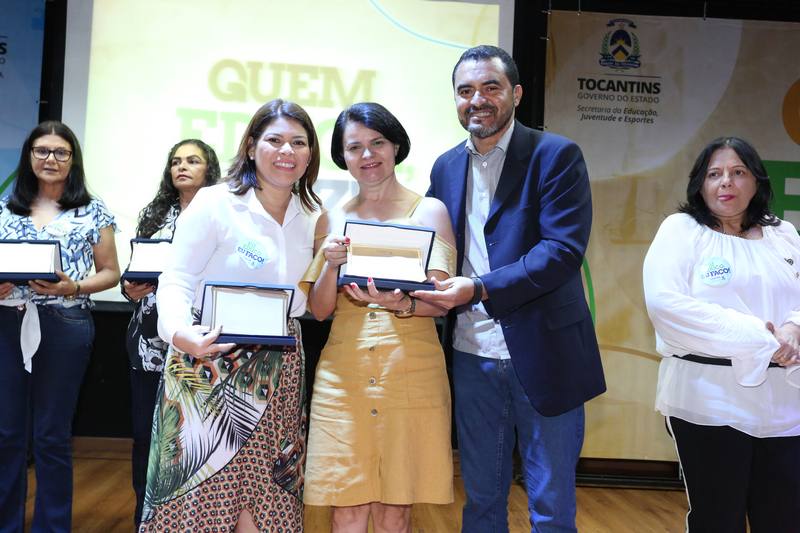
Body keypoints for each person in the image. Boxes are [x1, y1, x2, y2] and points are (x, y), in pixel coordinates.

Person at [412, 45, 606, 532]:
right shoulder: (445, 167)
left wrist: (478, 288)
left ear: (516, 94)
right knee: (480, 502)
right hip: (471, 355)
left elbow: (561, 251)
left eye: (490, 87)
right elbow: (435, 251)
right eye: (465, 91)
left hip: (546, 353)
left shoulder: (555, 156)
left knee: (551, 508)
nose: (477, 100)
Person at [139, 99, 321, 532]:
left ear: (310, 154)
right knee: (197, 499)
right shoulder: (215, 201)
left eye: (299, 142)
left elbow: (310, 300)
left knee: (266, 499)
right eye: (275, 140)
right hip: (207, 362)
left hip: (279, 371)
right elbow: (177, 278)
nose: (287, 151)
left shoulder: (314, 216)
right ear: (252, 146)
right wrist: (180, 333)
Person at [302, 102, 456, 533]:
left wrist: (399, 303)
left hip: (410, 370)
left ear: (396, 147)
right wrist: (330, 266)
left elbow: (443, 299)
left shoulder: (430, 212)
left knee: (395, 510)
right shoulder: (331, 219)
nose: (367, 155)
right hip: (343, 376)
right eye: (354, 147)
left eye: (378, 143)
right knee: (345, 508)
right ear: (342, 156)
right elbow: (320, 310)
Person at [642, 137, 800, 532]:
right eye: (714, 174)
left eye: (738, 172)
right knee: (718, 519)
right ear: (700, 184)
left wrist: (794, 327)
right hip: (708, 400)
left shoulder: (784, 234)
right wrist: (761, 339)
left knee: (784, 519)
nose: (726, 182)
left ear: (757, 181)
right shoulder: (682, 230)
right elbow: (666, 306)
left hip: (785, 405)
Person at [0, 121, 121, 532]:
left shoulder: (92, 209)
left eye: (60, 152)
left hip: (65, 323)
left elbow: (110, 272)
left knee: (51, 435)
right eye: (42, 151)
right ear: (29, 156)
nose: (50, 159)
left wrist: (75, 286)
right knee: (6, 433)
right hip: (7, 322)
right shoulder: (4, 206)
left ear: (73, 160)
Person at [122, 139, 220, 527]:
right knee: (145, 438)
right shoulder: (154, 215)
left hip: (199, 342)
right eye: (176, 161)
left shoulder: (222, 212)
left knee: (192, 439)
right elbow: (134, 270)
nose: (182, 167)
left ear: (209, 169)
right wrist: (129, 289)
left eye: (192, 161)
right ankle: (144, 520)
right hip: (149, 343)